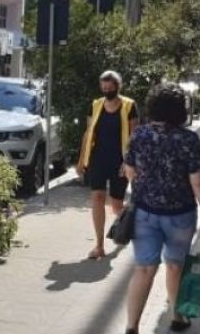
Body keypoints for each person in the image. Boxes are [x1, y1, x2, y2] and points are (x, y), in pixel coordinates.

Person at [123, 83, 200, 334]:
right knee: (175, 266)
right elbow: (199, 182)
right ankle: (178, 317)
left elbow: (130, 171)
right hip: (180, 215)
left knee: (143, 269)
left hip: (144, 213)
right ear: (179, 110)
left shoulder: (139, 135)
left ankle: (132, 326)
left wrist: (147, 186)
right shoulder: (188, 139)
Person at [76, 70, 139, 260]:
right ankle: (99, 245)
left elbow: (135, 136)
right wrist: (81, 161)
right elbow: (88, 134)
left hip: (119, 161)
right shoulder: (95, 105)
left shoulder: (129, 106)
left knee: (117, 204)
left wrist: (129, 161)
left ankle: (127, 230)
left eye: (110, 87)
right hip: (98, 159)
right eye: (103, 86)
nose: (106, 90)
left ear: (117, 87)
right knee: (97, 197)